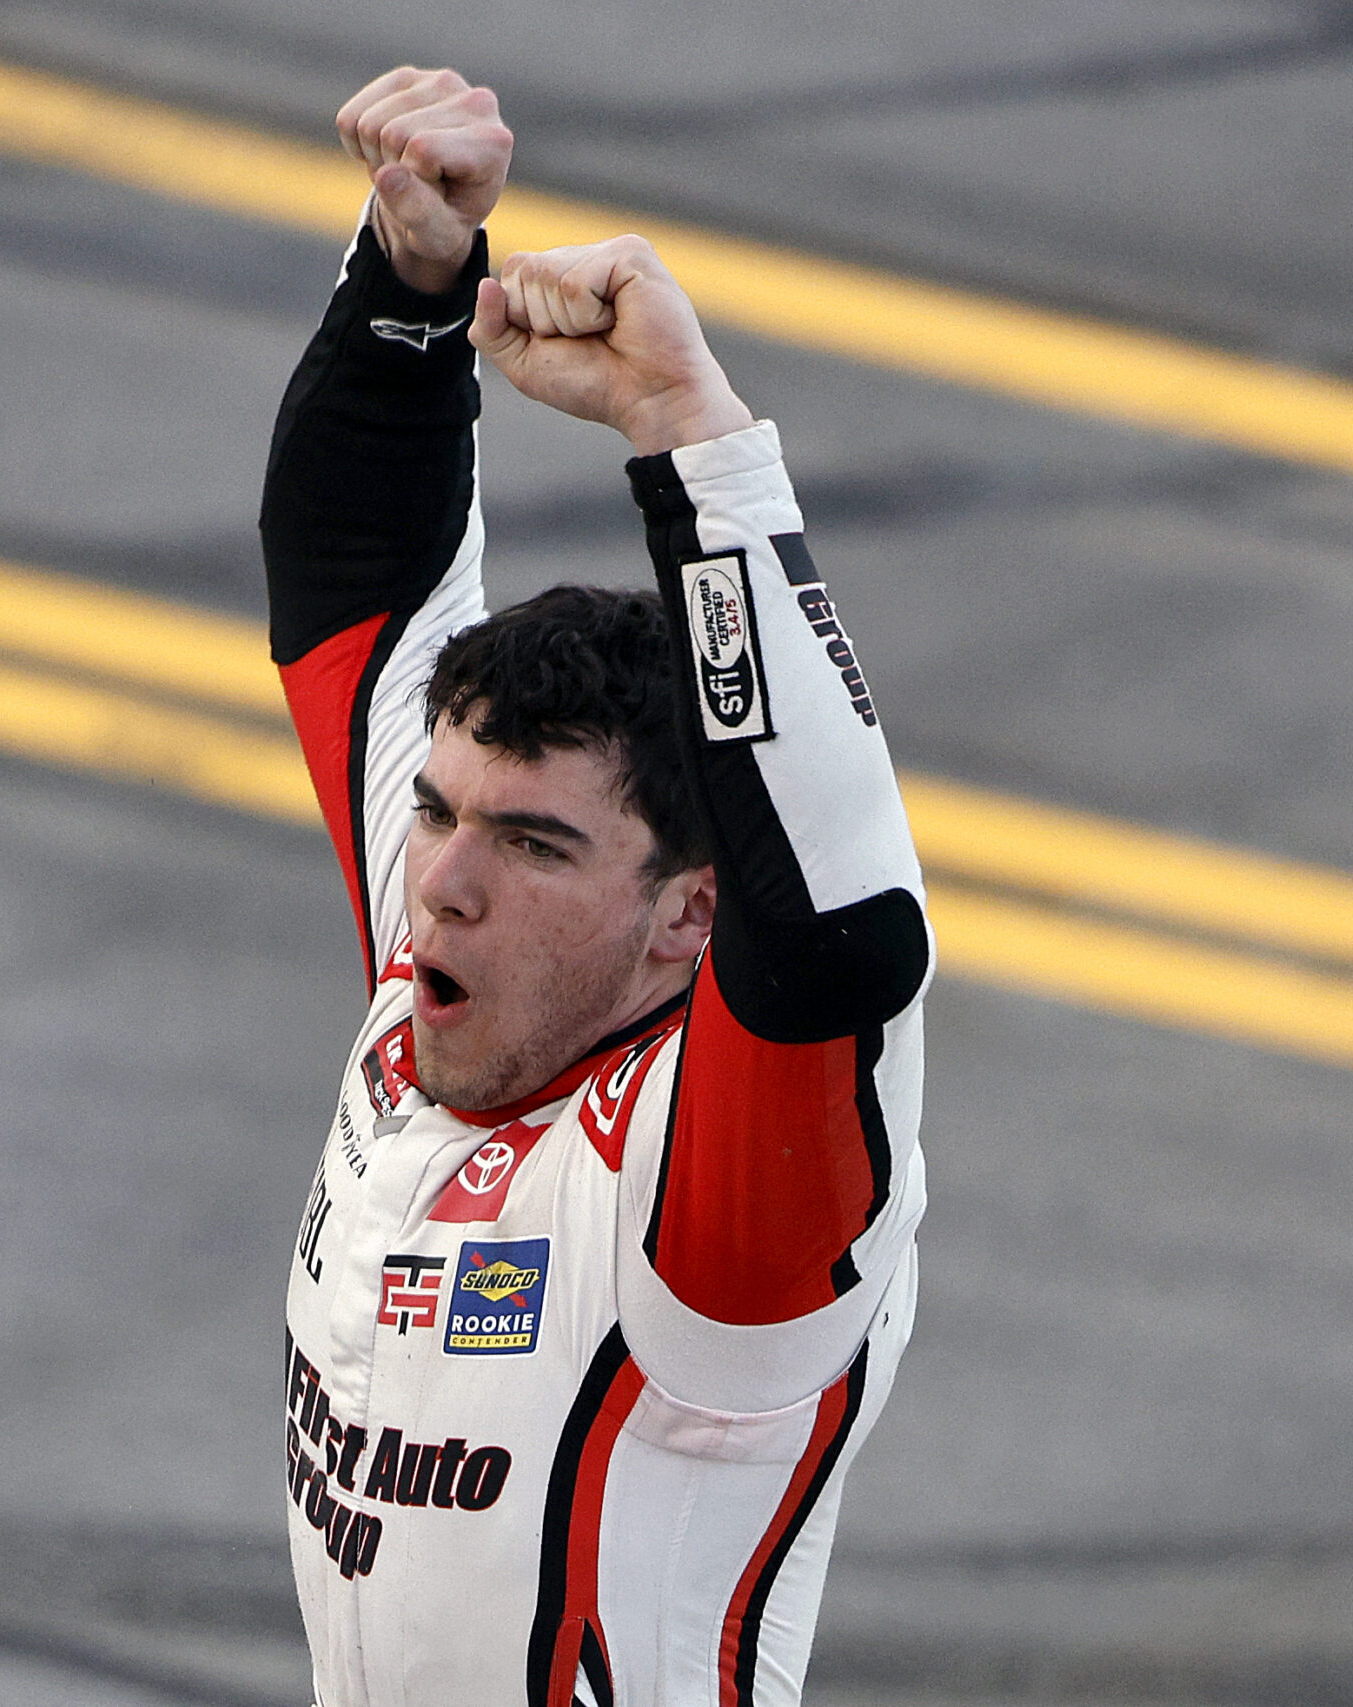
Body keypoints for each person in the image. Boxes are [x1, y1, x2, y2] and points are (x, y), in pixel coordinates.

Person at [262, 64, 931, 1707]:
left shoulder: (716, 1212)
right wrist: (413, 282)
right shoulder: (433, 989)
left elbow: (840, 924)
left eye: (536, 844)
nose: (439, 888)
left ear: (690, 915)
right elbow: (357, 579)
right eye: (439, 815)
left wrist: (694, 445)